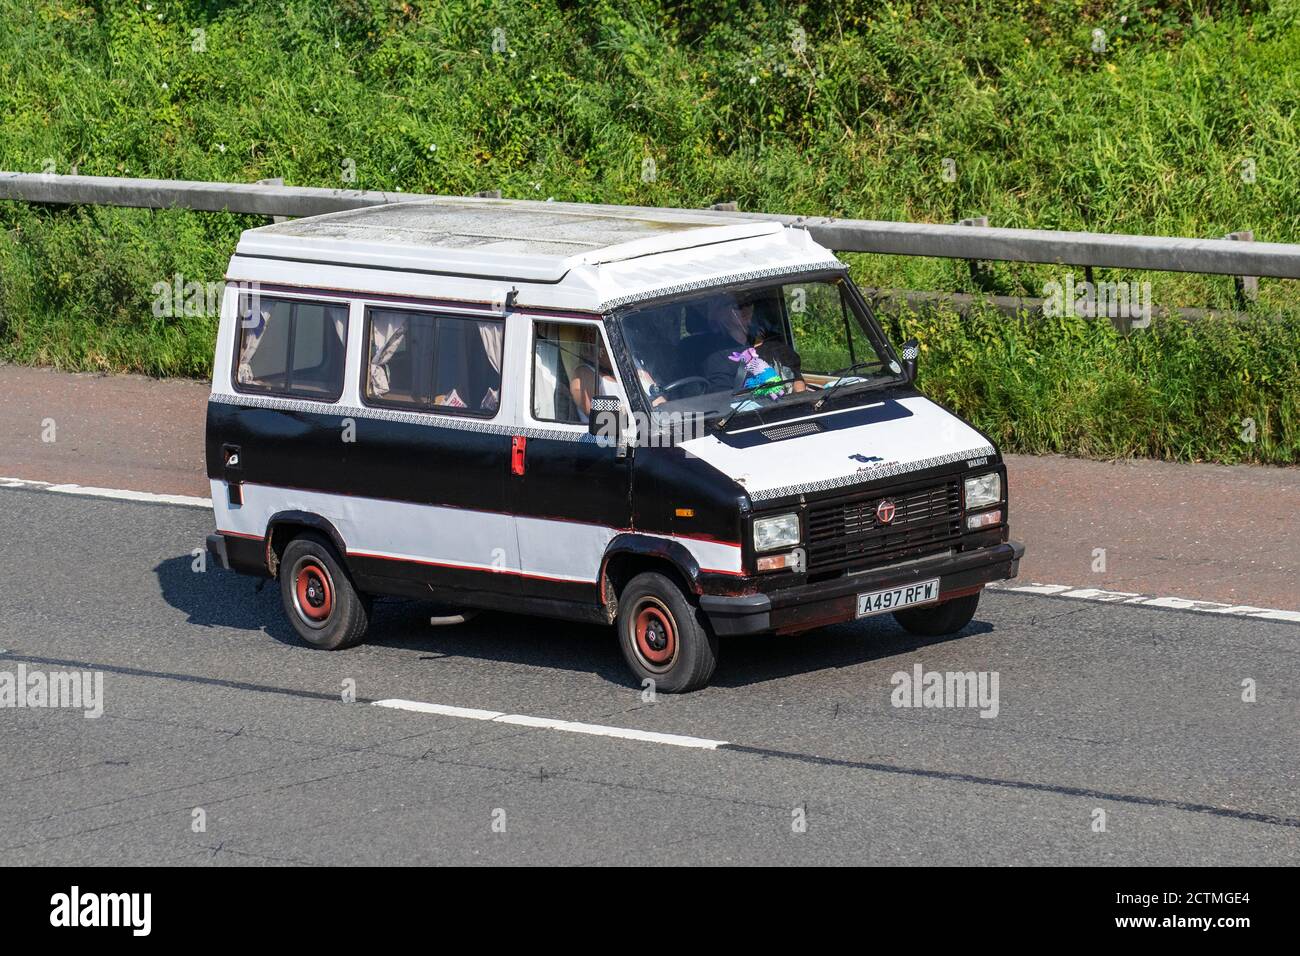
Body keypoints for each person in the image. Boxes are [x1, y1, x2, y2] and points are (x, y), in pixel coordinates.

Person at [702, 295, 805, 397]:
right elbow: (723, 400)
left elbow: (797, 381)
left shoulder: (773, 343)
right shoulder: (717, 358)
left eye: (748, 303)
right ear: (720, 313)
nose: (745, 309)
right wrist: (760, 391)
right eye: (737, 306)